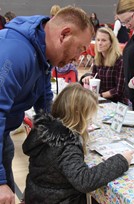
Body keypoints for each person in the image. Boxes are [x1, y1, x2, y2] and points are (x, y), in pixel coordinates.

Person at [0, 6, 94, 203]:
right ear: (64, 35)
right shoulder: (15, 54)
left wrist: (63, 130)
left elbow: (44, 99)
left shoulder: (43, 51)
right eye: (80, 49)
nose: (78, 58)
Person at [22, 83, 134, 204]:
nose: (90, 122)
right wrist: (121, 161)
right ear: (78, 114)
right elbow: (84, 181)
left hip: (37, 196)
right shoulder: (66, 144)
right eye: (88, 117)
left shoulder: (47, 131)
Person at [82, 27, 127, 104]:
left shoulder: (120, 61)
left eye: (103, 40)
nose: (99, 43)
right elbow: (94, 77)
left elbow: (118, 91)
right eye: (98, 40)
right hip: (100, 101)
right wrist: (89, 78)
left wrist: (100, 95)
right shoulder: (97, 59)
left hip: (116, 103)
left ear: (111, 43)